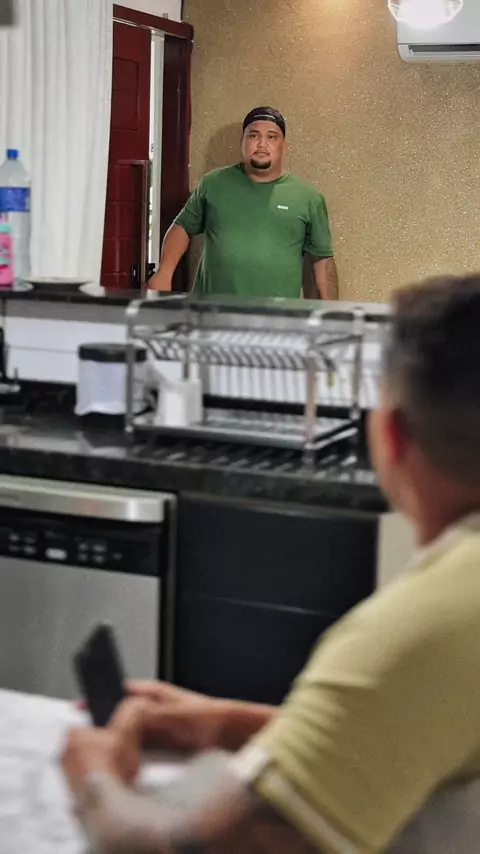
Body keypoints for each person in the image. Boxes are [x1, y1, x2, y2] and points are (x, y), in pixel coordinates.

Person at [63, 274, 480, 853]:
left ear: (390, 435)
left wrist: (93, 777)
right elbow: (410, 734)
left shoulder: (427, 626)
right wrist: (228, 724)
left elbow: (201, 851)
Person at [148, 106, 339, 300]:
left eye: (272, 137)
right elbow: (182, 227)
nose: (262, 144)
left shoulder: (308, 198)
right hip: (211, 309)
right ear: (242, 141)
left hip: (277, 314)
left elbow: (323, 261)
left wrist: (333, 310)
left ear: (284, 145)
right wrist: (165, 272)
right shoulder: (213, 183)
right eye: (253, 136)